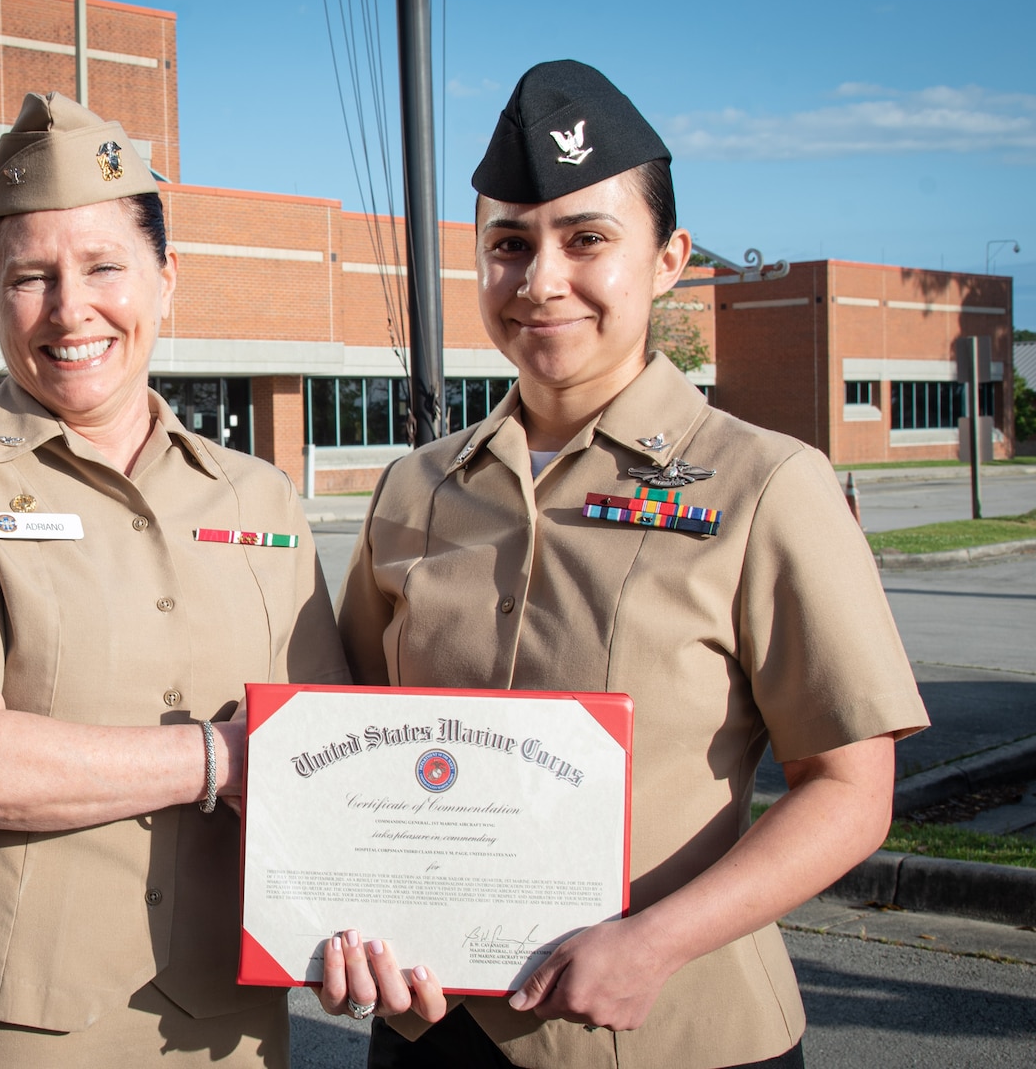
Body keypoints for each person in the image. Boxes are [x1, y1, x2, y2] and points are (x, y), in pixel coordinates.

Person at [323, 61, 930, 1068]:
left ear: (668, 259)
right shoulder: (415, 490)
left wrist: (655, 943)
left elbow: (849, 790)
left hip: (669, 1029)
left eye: (586, 239)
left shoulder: (768, 483)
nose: (540, 279)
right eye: (509, 245)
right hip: (434, 1027)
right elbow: (348, 743)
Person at [0, 92, 347, 1067]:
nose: (71, 311)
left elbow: (327, 755)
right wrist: (228, 760)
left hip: (220, 1027)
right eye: (29, 276)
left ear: (166, 281)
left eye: (106, 267)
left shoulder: (260, 496)